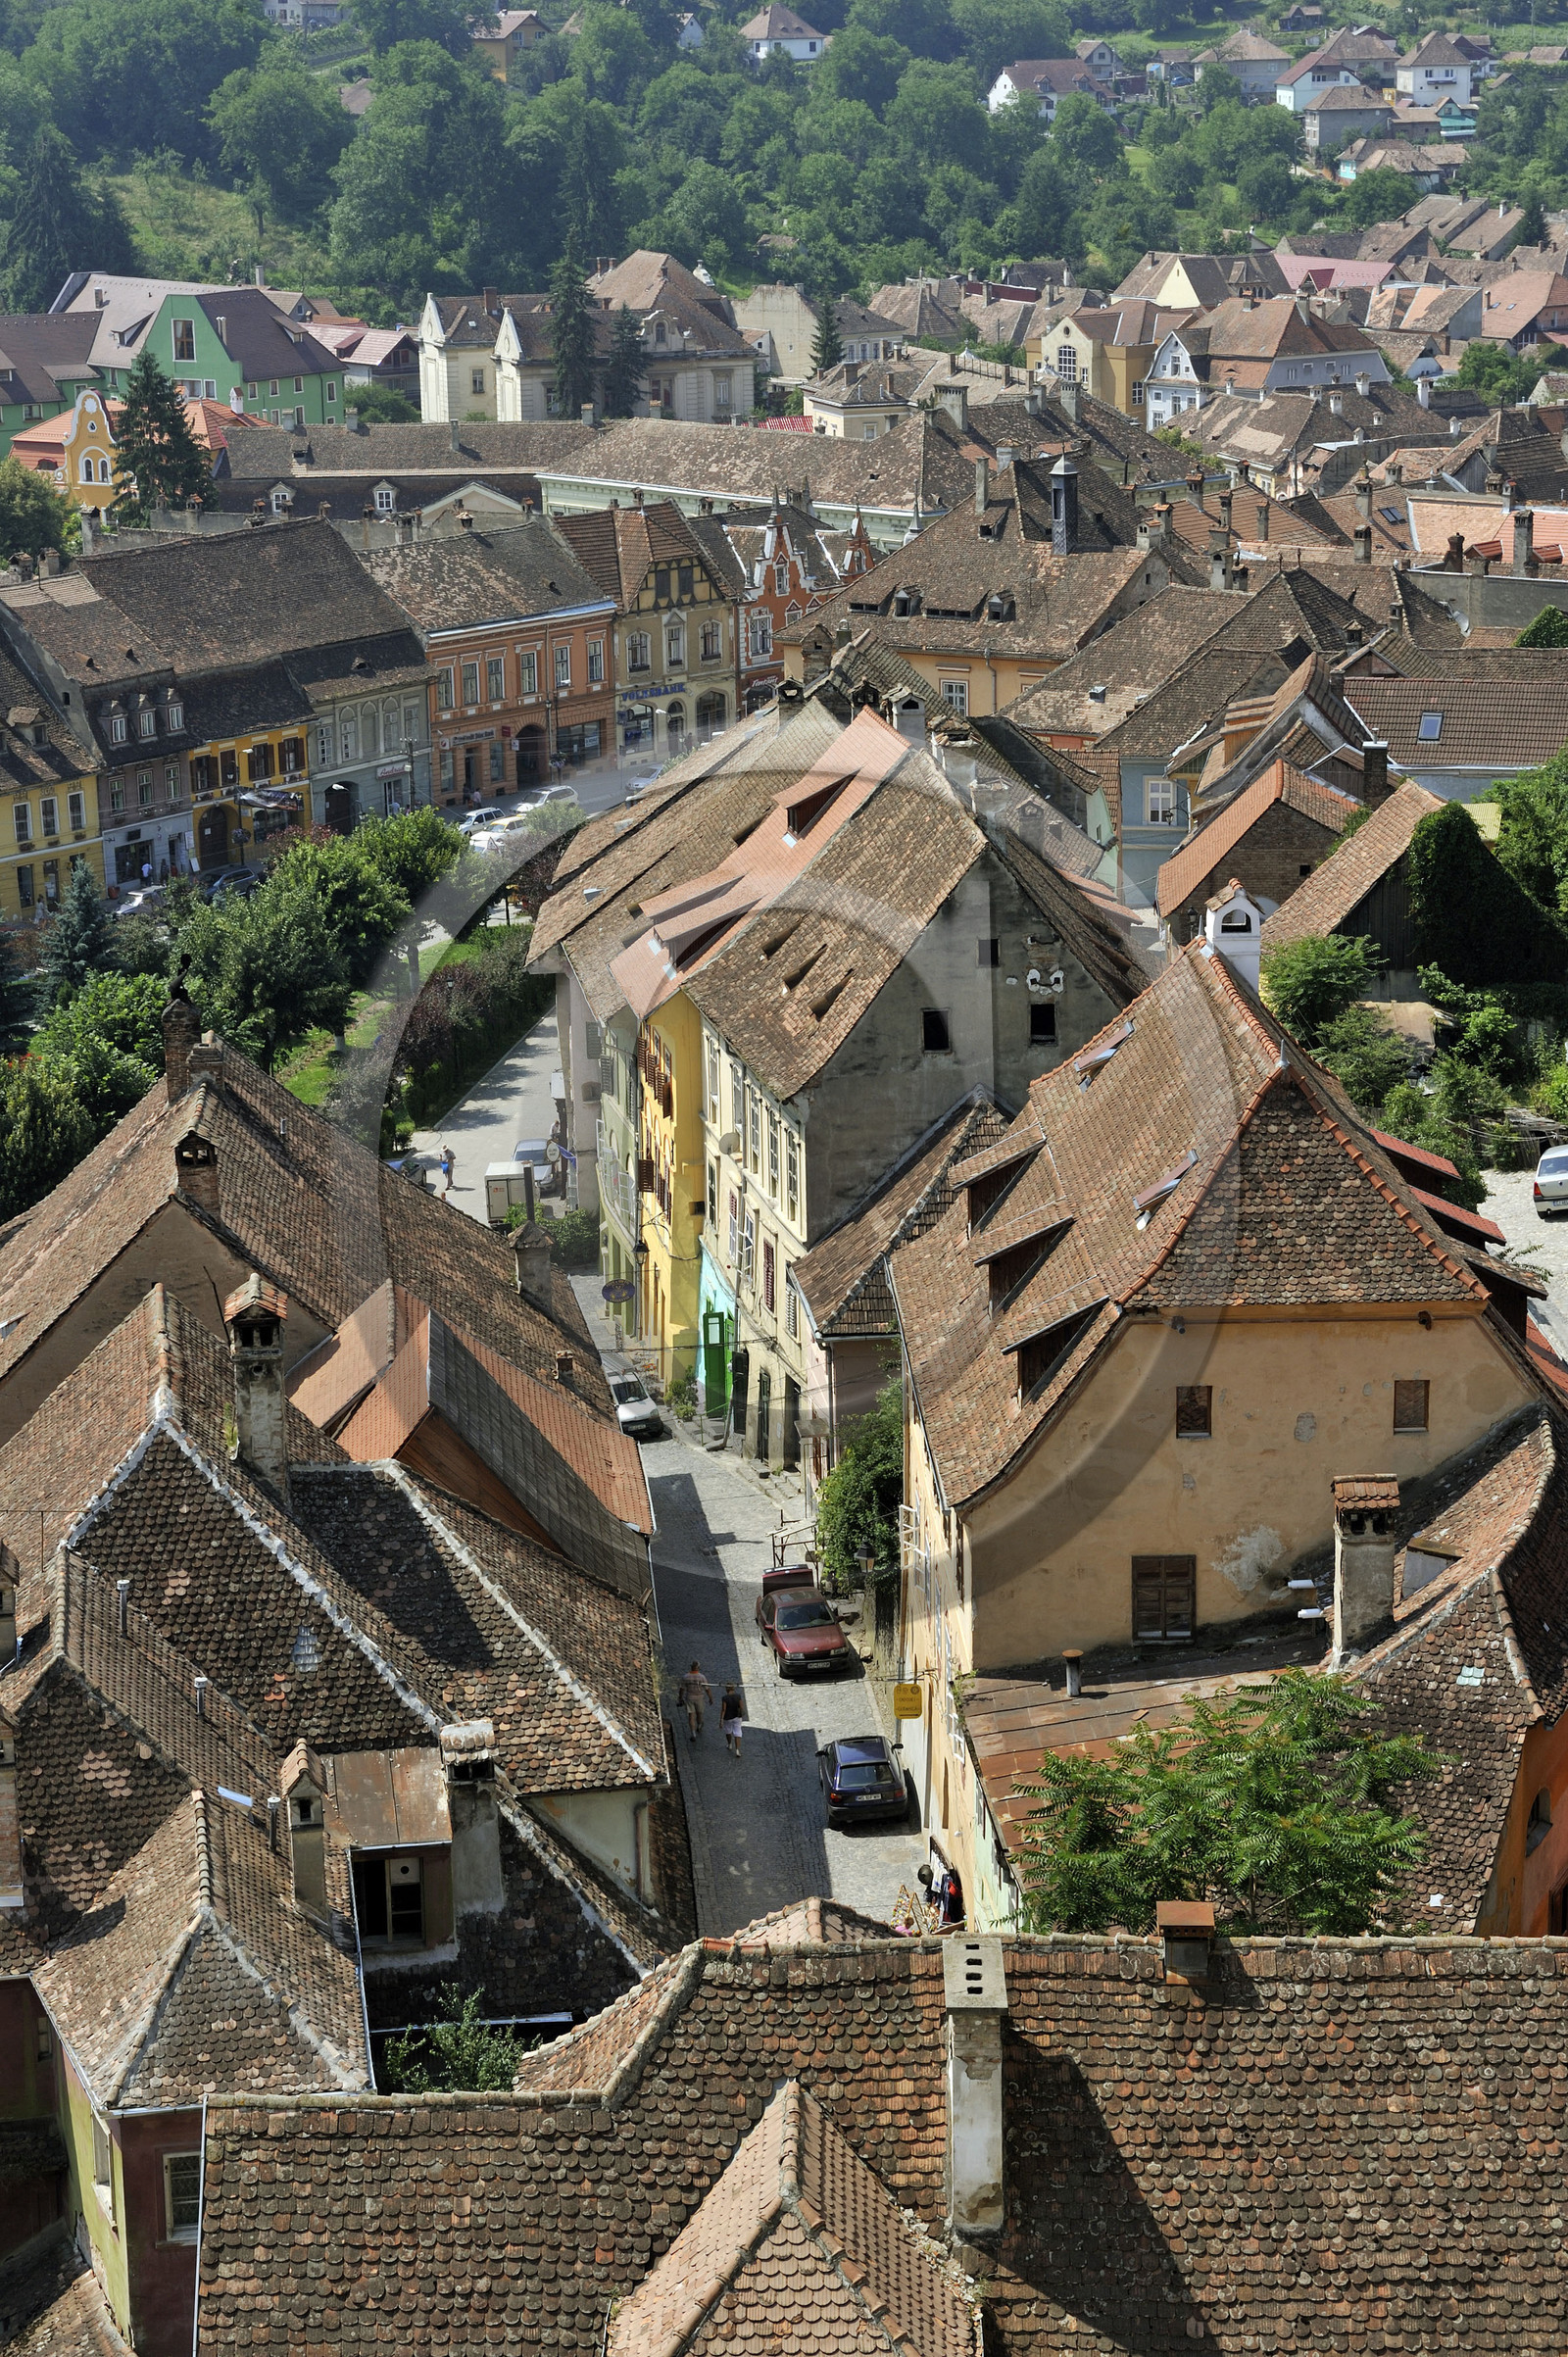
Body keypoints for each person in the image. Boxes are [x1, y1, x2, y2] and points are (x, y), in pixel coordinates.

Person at [678, 1660, 712, 1741]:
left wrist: (680, 1698)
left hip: (689, 1698)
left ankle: (693, 1733)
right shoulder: (702, 1677)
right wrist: (710, 1698)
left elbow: (682, 1689)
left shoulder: (686, 1677)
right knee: (699, 1714)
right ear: (698, 1668)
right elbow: (707, 1689)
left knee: (691, 1716)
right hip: (699, 1698)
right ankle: (699, 1725)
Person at [719, 1683, 743, 1757]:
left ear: (726, 1689)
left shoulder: (725, 1698)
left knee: (728, 1731)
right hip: (737, 1717)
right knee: (737, 1732)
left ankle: (729, 1744)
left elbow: (724, 1709)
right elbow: (741, 1707)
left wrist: (721, 1720)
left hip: (728, 1717)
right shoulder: (738, 1696)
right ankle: (737, 1750)